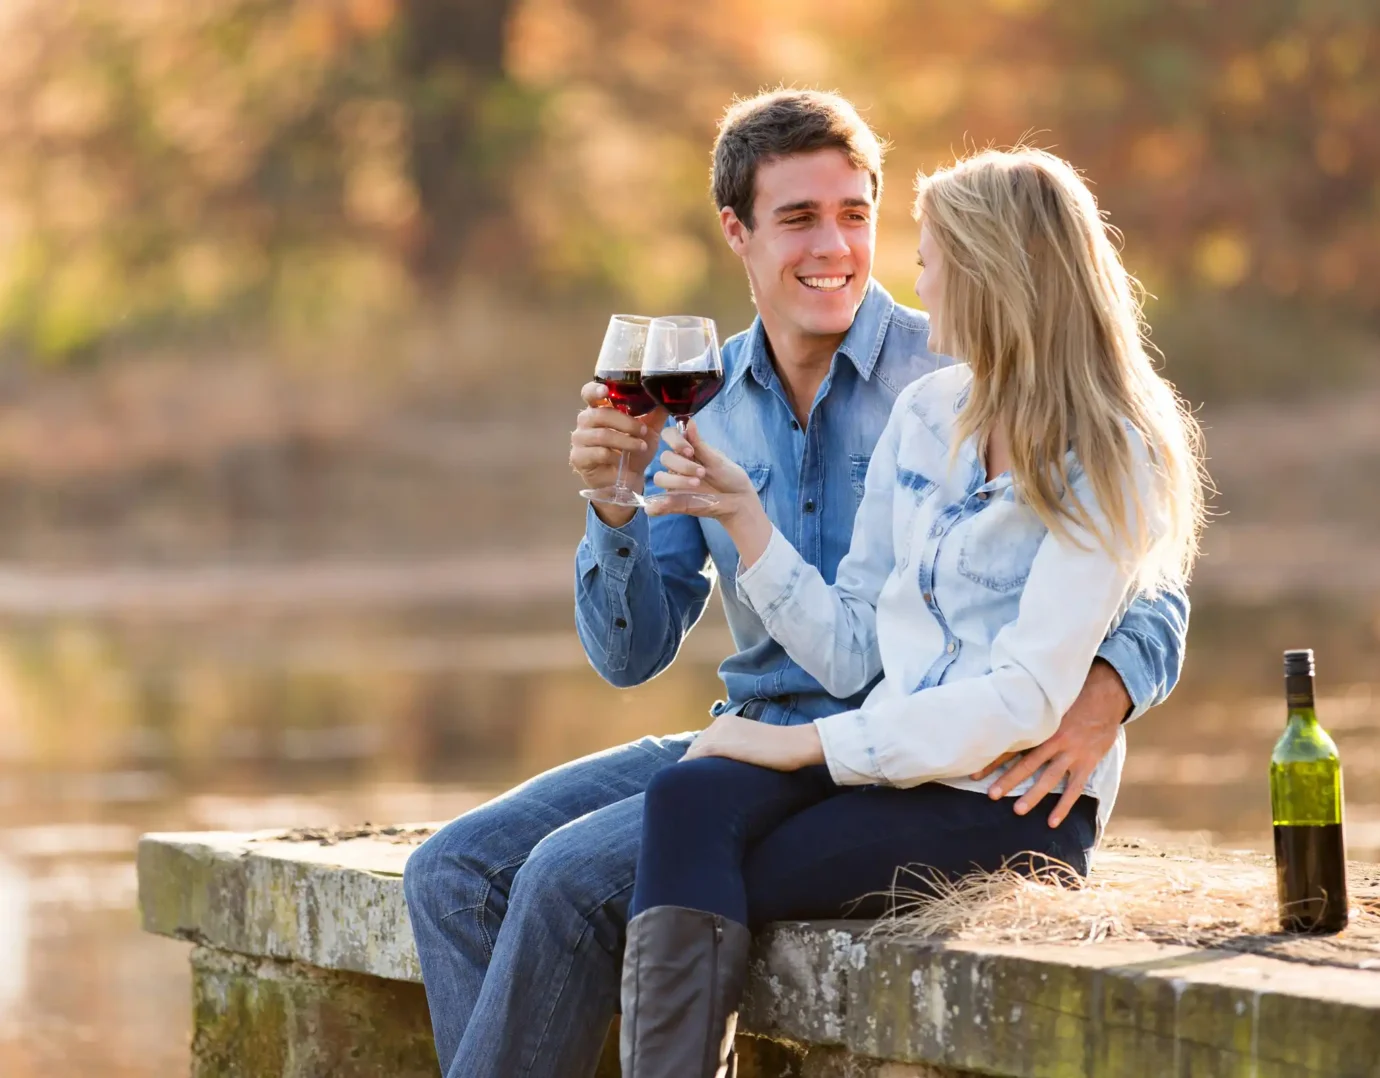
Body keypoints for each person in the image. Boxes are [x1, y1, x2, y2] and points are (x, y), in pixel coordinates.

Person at [402, 91, 1189, 1078]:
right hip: (756, 728)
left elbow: (1149, 573)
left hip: (923, 751)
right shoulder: (697, 394)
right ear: (736, 231)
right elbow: (631, 653)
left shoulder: (958, 362)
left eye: (857, 214)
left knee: (570, 878)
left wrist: (1108, 691)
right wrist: (611, 509)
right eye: (800, 218)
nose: (842, 248)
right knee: (452, 874)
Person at [619, 145, 1208, 1077]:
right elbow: (853, 650)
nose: (915, 277)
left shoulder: (1113, 455)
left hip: (1008, 800)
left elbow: (1024, 697)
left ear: (990, 272)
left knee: (725, 873)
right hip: (893, 760)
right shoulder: (932, 412)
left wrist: (805, 746)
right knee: (688, 794)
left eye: (930, 254)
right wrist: (743, 515)